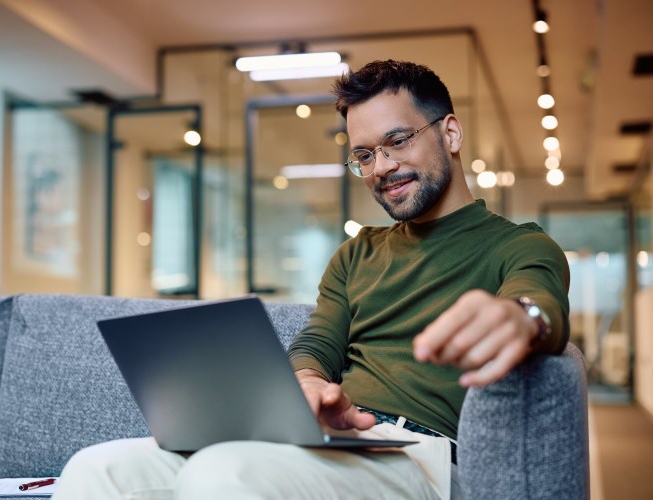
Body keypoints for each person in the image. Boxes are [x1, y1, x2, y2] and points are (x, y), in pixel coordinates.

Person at [53, 60, 570, 500]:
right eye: (364, 155)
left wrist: (517, 317)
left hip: (420, 457)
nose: (382, 168)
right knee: (97, 471)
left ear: (450, 133)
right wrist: (307, 386)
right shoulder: (357, 253)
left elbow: (538, 304)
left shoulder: (518, 245)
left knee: (224, 473)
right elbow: (317, 342)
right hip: (332, 442)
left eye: (397, 141)